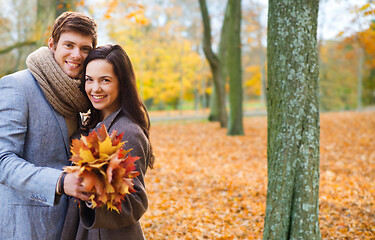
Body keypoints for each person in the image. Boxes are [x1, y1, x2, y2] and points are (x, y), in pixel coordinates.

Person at [0, 12, 97, 239]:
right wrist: (60, 182)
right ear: (52, 44)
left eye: (85, 48)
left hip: (67, 226)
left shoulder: (77, 97)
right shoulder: (17, 86)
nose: (77, 55)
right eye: (69, 45)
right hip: (25, 228)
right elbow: (3, 160)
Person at [60, 44, 155, 240]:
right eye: (89, 80)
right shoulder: (91, 124)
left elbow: (135, 201)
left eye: (105, 80)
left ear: (122, 83)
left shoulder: (127, 132)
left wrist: (91, 190)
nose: (95, 88)